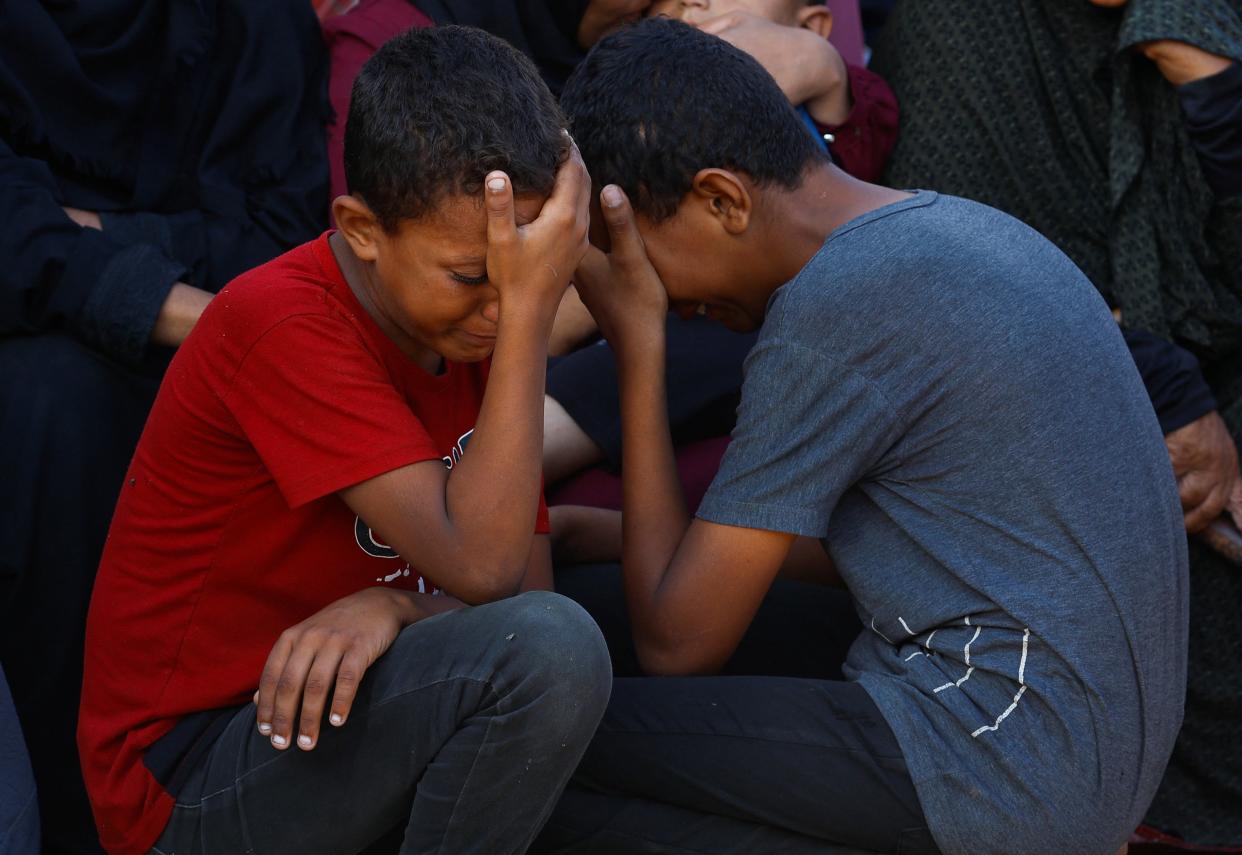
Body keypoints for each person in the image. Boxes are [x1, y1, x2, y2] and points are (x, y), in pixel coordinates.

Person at [538, 17, 1188, 855]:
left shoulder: (833, 309)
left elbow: (678, 641)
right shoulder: (939, 227)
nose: (644, 286)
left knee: (543, 737)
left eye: (641, 259)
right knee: (587, 619)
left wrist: (639, 343)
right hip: (1080, 751)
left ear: (721, 199)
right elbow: (919, 547)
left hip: (1003, 760)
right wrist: (617, 533)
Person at [77, 26, 611, 855]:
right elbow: (494, 582)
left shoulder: (468, 332)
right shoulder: (283, 321)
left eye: (529, 269)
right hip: (192, 767)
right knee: (556, 650)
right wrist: (536, 306)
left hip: (344, 710)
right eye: (475, 277)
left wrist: (396, 605)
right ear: (362, 229)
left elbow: (519, 587)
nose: (504, 307)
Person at [873, 0, 1242, 845]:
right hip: (1054, 383)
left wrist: (1213, 81)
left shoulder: (1201, 19)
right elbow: (963, 258)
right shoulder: (959, 30)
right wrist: (1163, 385)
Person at [0, 3, 330, 851]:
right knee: (48, 403)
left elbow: (277, 239)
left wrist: (87, 238)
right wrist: (185, 301)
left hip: (236, 353)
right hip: (61, 383)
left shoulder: (252, 23)